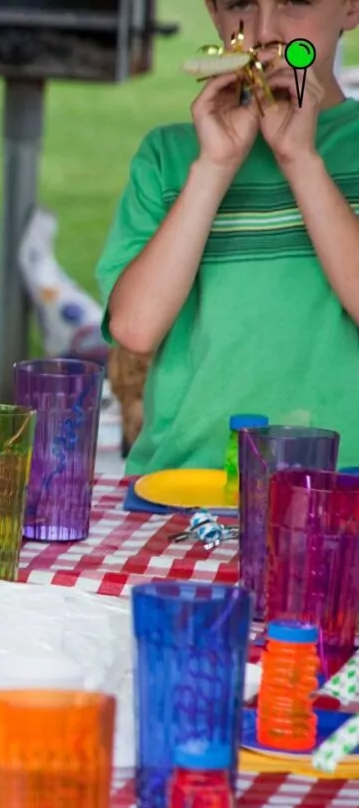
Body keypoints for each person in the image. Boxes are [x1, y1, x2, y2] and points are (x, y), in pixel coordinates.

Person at [98, 0, 359, 473]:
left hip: (340, 485)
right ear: (215, 13)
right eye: (241, 4)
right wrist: (214, 166)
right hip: (185, 479)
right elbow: (135, 328)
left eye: (294, 3)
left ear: (350, 9)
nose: (263, 31)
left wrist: (301, 161)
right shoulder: (169, 157)